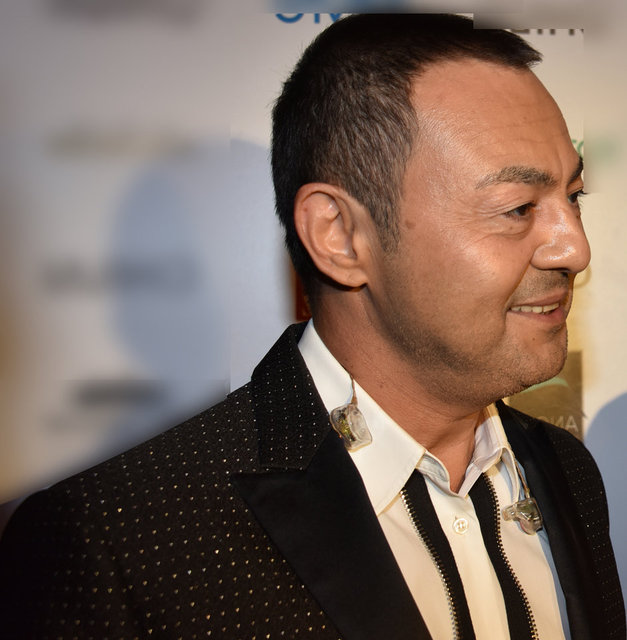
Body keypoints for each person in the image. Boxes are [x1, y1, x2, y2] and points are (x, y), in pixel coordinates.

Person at [0, 14, 624, 640]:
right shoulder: (119, 541)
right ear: (339, 237)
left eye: (573, 197)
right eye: (518, 208)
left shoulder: (566, 470)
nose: (576, 248)